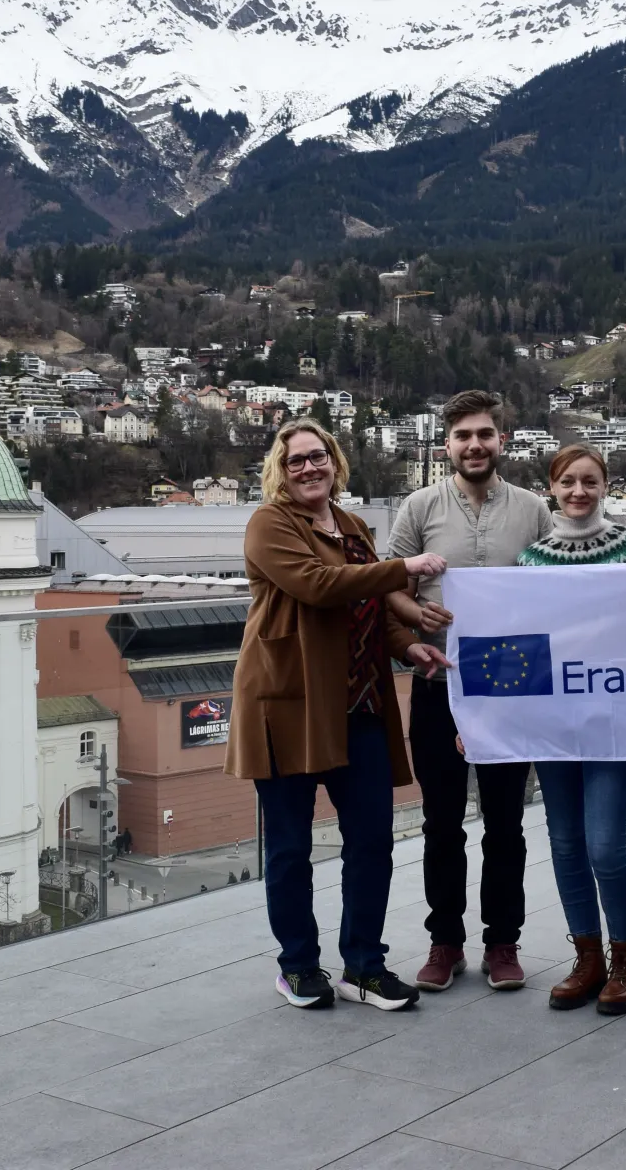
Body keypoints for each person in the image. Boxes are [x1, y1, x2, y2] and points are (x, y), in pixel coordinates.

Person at [224, 417, 450, 1012]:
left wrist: (407, 646)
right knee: (291, 847)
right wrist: (407, 567)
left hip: (360, 705)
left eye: (317, 456)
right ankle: (297, 965)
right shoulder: (269, 524)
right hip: (290, 705)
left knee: (372, 841)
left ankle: (364, 966)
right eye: (295, 460)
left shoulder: (352, 526)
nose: (308, 468)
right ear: (280, 470)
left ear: (335, 462)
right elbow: (321, 586)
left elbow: (369, 605)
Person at [387, 389, 553, 993]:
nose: (474, 445)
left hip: (513, 687)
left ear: (501, 440)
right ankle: (445, 942)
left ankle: (503, 943)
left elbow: (558, 587)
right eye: (463, 436)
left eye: (485, 434)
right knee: (441, 823)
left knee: (506, 823)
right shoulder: (417, 508)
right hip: (440, 680)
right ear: (447, 444)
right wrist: (415, 614)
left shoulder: (536, 510)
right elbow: (389, 587)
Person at [517, 444, 626, 1014]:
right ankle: (587, 959)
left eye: (590, 481)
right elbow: (516, 644)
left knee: (605, 846)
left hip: (613, 721)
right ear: (553, 486)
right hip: (554, 724)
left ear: (606, 485)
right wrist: (485, 716)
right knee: (565, 844)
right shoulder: (532, 559)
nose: (578, 491)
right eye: (568, 481)